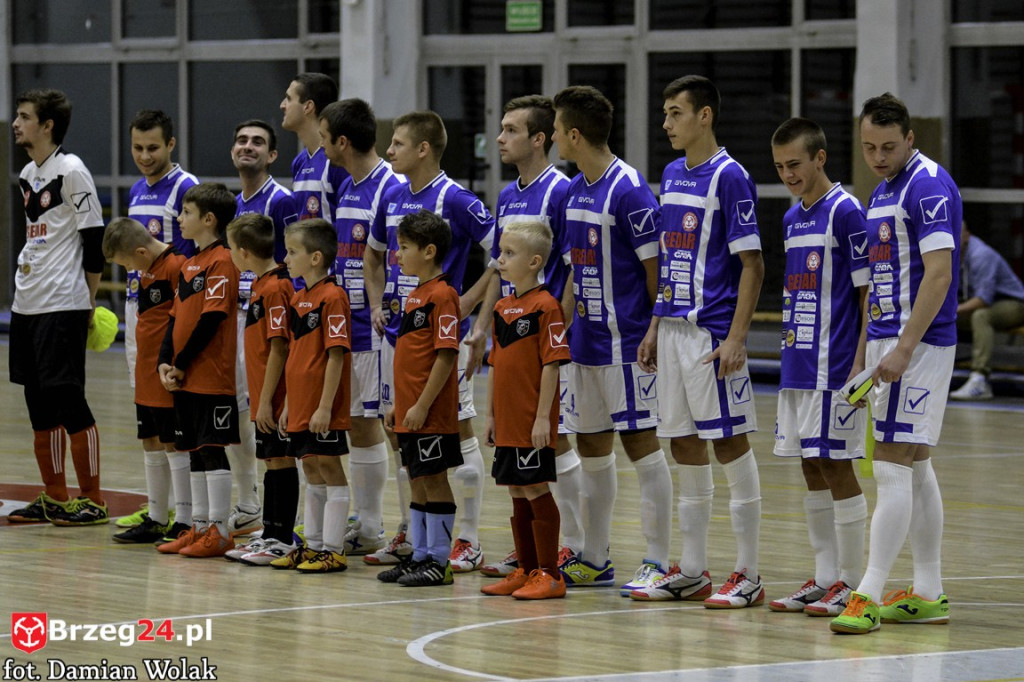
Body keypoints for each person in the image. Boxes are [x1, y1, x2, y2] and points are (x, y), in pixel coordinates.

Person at [633, 75, 765, 607]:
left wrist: (737, 337)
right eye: (665, 114)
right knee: (683, 446)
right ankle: (691, 569)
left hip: (711, 335)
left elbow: (752, 264)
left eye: (675, 113)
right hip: (672, 330)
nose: (666, 124)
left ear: (704, 116)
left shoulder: (731, 177)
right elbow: (670, 262)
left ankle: (749, 574)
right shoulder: (670, 173)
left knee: (729, 444)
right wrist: (654, 325)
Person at [831, 92, 960, 635]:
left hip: (920, 345)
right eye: (868, 148)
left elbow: (939, 274)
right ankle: (928, 591)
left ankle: (867, 593)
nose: (878, 157)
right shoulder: (884, 189)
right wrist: (868, 351)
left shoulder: (927, 184)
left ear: (910, 138)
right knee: (916, 461)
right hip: (889, 341)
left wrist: (905, 347)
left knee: (889, 463)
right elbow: (884, 281)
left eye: (888, 146)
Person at [549, 85, 673, 594]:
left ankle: (658, 561)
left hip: (628, 349)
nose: (554, 137)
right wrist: (562, 322)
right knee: (591, 445)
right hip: (585, 345)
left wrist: (654, 332)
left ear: (574, 134)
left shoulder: (631, 191)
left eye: (556, 130)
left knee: (642, 446)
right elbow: (577, 269)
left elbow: (657, 271)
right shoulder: (575, 188)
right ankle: (595, 557)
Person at [364, 111, 495, 572]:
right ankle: (415, 540)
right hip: (400, 338)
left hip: (441, 333)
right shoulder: (391, 194)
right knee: (401, 436)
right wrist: (379, 304)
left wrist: (469, 306)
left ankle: (466, 541)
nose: (389, 152)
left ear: (423, 149)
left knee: (455, 431)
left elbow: (503, 254)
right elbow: (374, 255)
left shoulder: (457, 199)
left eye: (398, 144)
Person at [469, 95, 585, 578]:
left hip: (547, 333)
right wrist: (480, 324)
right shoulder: (509, 194)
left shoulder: (560, 190)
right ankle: (535, 554)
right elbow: (501, 264)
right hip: (512, 331)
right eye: (501, 128)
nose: (500, 138)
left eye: (511, 130)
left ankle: (575, 545)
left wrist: (562, 321)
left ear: (540, 139)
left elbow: (578, 265)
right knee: (523, 451)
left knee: (554, 443)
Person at [765, 118, 869, 617]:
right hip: (798, 363)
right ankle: (825, 577)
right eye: (780, 166)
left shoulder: (847, 212)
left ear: (820, 158)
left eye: (796, 164)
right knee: (809, 466)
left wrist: (862, 362)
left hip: (835, 367)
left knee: (837, 464)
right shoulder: (790, 219)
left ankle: (852, 580)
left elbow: (868, 293)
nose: (788, 174)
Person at [7, 89, 108, 526]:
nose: (16, 123)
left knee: (68, 400)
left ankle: (93, 499)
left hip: (62, 305)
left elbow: (94, 242)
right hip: (26, 303)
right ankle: (55, 496)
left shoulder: (72, 171)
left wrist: (87, 302)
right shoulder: (29, 172)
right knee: (37, 403)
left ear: (47, 125)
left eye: (24, 116)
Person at [318, 98, 404, 557]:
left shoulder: (389, 187)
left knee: (386, 428)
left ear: (342, 141)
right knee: (357, 424)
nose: (320, 144)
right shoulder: (348, 185)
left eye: (325, 136)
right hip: (346, 324)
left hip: (378, 330)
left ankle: (399, 528)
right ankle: (367, 525)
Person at [116, 109, 199, 537]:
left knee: (171, 421)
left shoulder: (186, 189)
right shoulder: (134, 190)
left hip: (169, 312)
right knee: (146, 415)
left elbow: (191, 261)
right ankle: (155, 513)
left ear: (170, 145)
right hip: (137, 310)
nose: (144, 156)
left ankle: (185, 516)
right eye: (137, 148)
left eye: (153, 148)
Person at [480, 221, 571, 600]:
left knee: (535, 487)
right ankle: (526, 569)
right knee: (516, 488)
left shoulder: (546, 307)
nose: (500, 259)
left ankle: (549, 574)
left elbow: (552, 364)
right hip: (506, 418)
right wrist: (490, 415)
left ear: (534, 262)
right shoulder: (502, 308)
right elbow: (496, 365)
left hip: (532, 419)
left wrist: (541, 418)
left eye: (509, 254)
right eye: (501, 252)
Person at [376, 210, 463, 587]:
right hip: (409, 411)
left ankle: (439, 562)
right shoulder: (415, 296)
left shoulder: (443, 296)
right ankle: (421, 553)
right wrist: (400, 402)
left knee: (433, 479)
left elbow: (445, 355)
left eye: (405, 247)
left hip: (432, 413)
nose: (397, 254)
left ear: (429, 251)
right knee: (416, 479)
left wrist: (423, 404)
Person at [225, 118, 302, 538]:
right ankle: (250, 504)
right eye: (241, 140)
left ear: (272, 155)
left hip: (270, 317)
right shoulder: (236, 203)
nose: (247, 146)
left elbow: (296, 260)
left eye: (257, 142)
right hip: (239, 317)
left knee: (268, 416)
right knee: (241, 414)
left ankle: (279, 525)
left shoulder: (282, 201)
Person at [155, 183, 241, 558]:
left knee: (211, 449)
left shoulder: (222, 260)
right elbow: (175, 320)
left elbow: (212, 318)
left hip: (209, 375)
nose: (179, 219)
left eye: (186, 213)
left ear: (208, 219)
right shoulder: (189, 263)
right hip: (184, 376)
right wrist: (164, 360)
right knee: (191, 449)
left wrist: (181, 363)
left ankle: (220, 531)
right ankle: (200, 526)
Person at [272, 218, 354, 574]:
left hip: (323, 406)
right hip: (301, 402)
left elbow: (336, 355)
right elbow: (294, 355)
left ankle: (333, 550)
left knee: (329, 467)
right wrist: (290, 403)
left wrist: (324, 406)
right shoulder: (299, 297)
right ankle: (314, 545)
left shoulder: (333, 297)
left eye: (293, 252)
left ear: (316, 258)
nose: (286, 258)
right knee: (310, 467)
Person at [102, 218, 188, 543]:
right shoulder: (147, 267)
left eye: (126, 263)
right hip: (144, 370)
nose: (128, 270)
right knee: (150, 439)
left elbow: (184, 319)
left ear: (140, 250)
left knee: (173, 443)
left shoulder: (176, 266)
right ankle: (155, 515)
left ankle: (183, 518)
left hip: (166, 371)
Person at [223, 214, 300, 565]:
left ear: (243, 252)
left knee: (281, 461)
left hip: (277, 394)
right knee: (271, 461)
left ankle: (283, 537)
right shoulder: (260, 283)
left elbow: (280, 346)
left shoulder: (276, 287)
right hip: (262, 392)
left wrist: (267, 400)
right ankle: (269, 533)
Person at [949, 221, 1024, 400]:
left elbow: (983, 300)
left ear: (967, 235)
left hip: (1014, 304)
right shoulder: (953, 256)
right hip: (982, 305)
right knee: (934, 318)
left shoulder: (981, 255)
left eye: (956, 234)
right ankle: (930, 373)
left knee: (981, 316)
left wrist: (952, 309)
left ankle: (979, 379)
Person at [280, 72, 348, 222]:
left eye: (289, 99)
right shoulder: (299, 162)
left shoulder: (337, 160)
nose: (282, 105)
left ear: (308, 107)